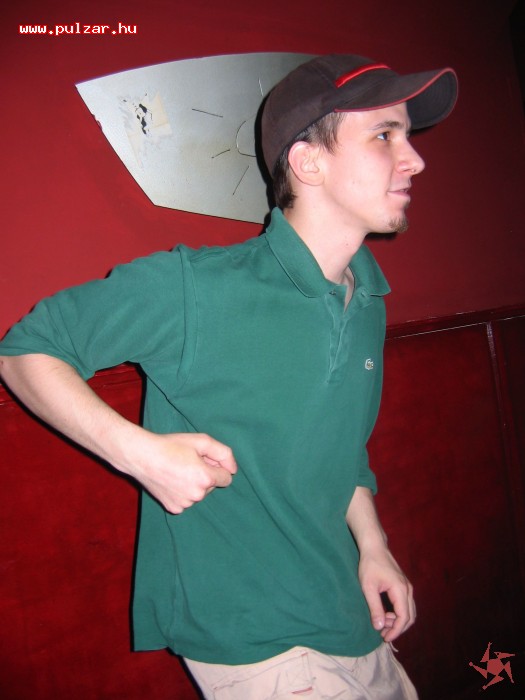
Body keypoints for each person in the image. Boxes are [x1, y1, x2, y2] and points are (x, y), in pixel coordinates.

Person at [0, 54, 457, 699]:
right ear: (309, 163)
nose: (414, 160)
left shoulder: (368, 298)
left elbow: (343, 450)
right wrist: (141, 456)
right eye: (385, 135)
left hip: (344, 609)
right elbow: (24, 351)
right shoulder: (198, 287)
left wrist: (374, 546)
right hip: (250, 632)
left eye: (405, 135)